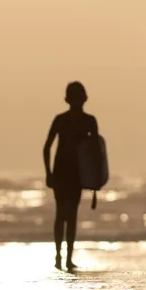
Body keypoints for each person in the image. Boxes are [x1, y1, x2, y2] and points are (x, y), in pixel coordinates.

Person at [43, 82, 99, 271]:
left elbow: (95, 151)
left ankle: (64, 258)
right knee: (66, 215)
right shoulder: (85, 121)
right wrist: (48, 173)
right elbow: (95, 153)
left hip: (71, 174)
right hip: (69, 175)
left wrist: (49, 173)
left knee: (66, 215)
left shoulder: (80, 121)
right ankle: (62, 258)